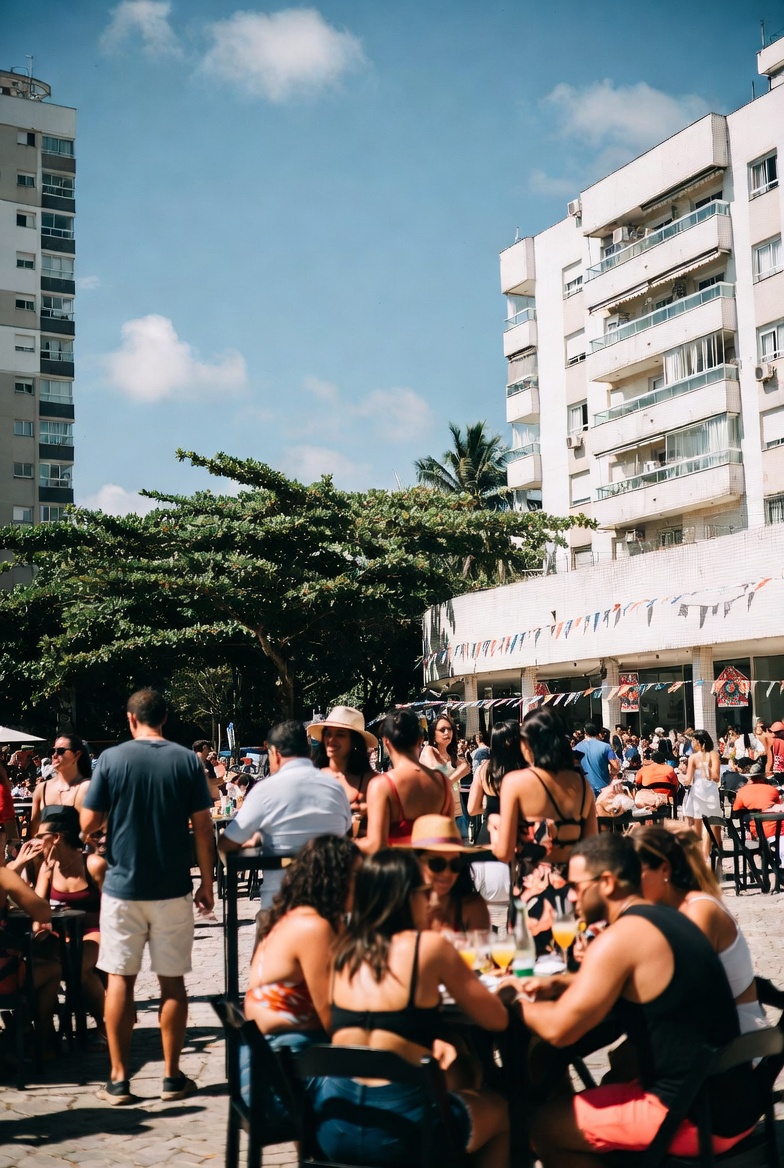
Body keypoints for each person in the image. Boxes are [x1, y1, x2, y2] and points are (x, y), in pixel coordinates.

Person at [519, 834, 757, 1164]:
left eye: (576, 885)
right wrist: (561, 983)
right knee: (599, 1085)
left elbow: (561, 1030)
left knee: (541, 1126)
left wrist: (514, 999)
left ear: (605, 882)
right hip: (738, 1104)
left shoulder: (621, 936)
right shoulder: (672, 916)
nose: (570, 896)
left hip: (690, 1118)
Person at [310, 849, 509, 1168]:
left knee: (456, 1080)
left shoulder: (341, 951)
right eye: (424, 892)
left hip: (333, 1124)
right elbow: (497, 1019)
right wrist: (509, 987)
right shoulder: (427, 947)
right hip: (400, 1130)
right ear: (405, 897)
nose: (431, 902)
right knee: (502, 1111)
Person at [80, 688, 215, 1105]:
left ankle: (120, 1080)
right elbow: (203, 826)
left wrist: (99, 830)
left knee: (120, 979)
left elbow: (87, 822)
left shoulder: (113, 760)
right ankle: (172, 1078)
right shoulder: (186, 761)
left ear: (130, 719)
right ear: (166, 718)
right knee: (172, 983)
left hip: (122, 886)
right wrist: (207, 883)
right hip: (172, 885)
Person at [635, 825, 767, 1033]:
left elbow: (684, 985)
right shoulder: (669, 908)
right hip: (705, 1027)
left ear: (664, 870)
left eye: (634, 873)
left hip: (737, 1038)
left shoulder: (699, 909)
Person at [489, 706, 597, 951]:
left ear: (528, 743)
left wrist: (495, 829)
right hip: (573, 892)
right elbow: (593, 849)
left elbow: (504, 853)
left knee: (531, 974)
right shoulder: (581, 784)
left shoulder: (515, 782)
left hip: (531, 892)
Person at [218, 720, 352, 907]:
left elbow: (227, 844)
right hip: (329, 905)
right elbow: (344, 831)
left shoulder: (264, 790)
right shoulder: (336, 788)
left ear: (275, 754)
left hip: (280, 905)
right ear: (309, 751)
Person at [245, 836, 359, 1052]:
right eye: (358, 876)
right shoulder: (313, 927)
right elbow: (332, 1018)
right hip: (288, 1056)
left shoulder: (297, 916)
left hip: (274, 1051)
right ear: (336, 879)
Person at [32, 805, 107, 1045]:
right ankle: (43, 1035)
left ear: (56, 838)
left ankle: (106, 1025)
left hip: (94, 932)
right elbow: (37, 907)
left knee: (77, 966)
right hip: (59, 935)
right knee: (33, 964)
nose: (36, 842)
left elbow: (112, 909)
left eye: (40, 837)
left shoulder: (92, 864)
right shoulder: (47, 868)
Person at [358, 709, 454, 854]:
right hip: (433, 871)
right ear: (420, 740)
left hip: (398, 872)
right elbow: (449, 836)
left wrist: (348, 843)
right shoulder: (442, 782)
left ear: (386, 742)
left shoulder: (382, 785)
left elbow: (376, 845)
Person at [410, 815, 490, 933]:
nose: (447, 872)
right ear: (417, 862)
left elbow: (481, 949)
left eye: (455, 864)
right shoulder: (401, 906)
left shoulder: (472, 906)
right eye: (437, 864)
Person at [308, 706, 378, 838]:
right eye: (328, 733)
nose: (331, 740)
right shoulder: (314, 777)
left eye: (340, 734)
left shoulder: (372, 781)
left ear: (354, 742)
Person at [467, 719, 524, 846]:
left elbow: (472, 809)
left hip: (489, 833)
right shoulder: (525, 770)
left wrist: (489, 808)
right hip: (519, 835)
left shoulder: (484, 770)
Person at [30, 734, 92, 837]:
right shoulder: (42, 789)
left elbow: (92, 833)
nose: (54, 755)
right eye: (52, 751)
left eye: (60, 751)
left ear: (77, 755)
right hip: (46, 851)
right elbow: (33, 833)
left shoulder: (86, 788)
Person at [419, 713, 471, 824]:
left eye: (450, 729)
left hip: (456, 812)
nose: (447, 733)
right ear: (434, 733)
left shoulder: (452, 755)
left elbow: (467, 768)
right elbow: (436, 780)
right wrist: (459, 772)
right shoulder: (429, 750)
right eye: (442, 730)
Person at [681, 730, 722, 857]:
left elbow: (715, 777)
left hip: (705, 792)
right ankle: (706, 856)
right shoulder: (697, 757)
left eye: (693, 741)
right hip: (704, 792)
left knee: (709, 826)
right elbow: (689, 780)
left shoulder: (710, 755)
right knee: (706, 827)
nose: (692, 744)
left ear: (699, 742)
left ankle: (711, 855)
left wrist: (704, 766)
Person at [732, 770, 782, 840]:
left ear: (751, 780)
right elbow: (778, 809)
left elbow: (736, 810)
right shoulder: (772, 789)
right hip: (774, 826)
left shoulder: (742, 791)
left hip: (754, 825)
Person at [573, 722, 619, 797]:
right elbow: (616, 766)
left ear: (585, 732)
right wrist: (611, 776)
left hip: (584, 788)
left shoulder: (576, 748)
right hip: (603, 788)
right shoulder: (606, 747)